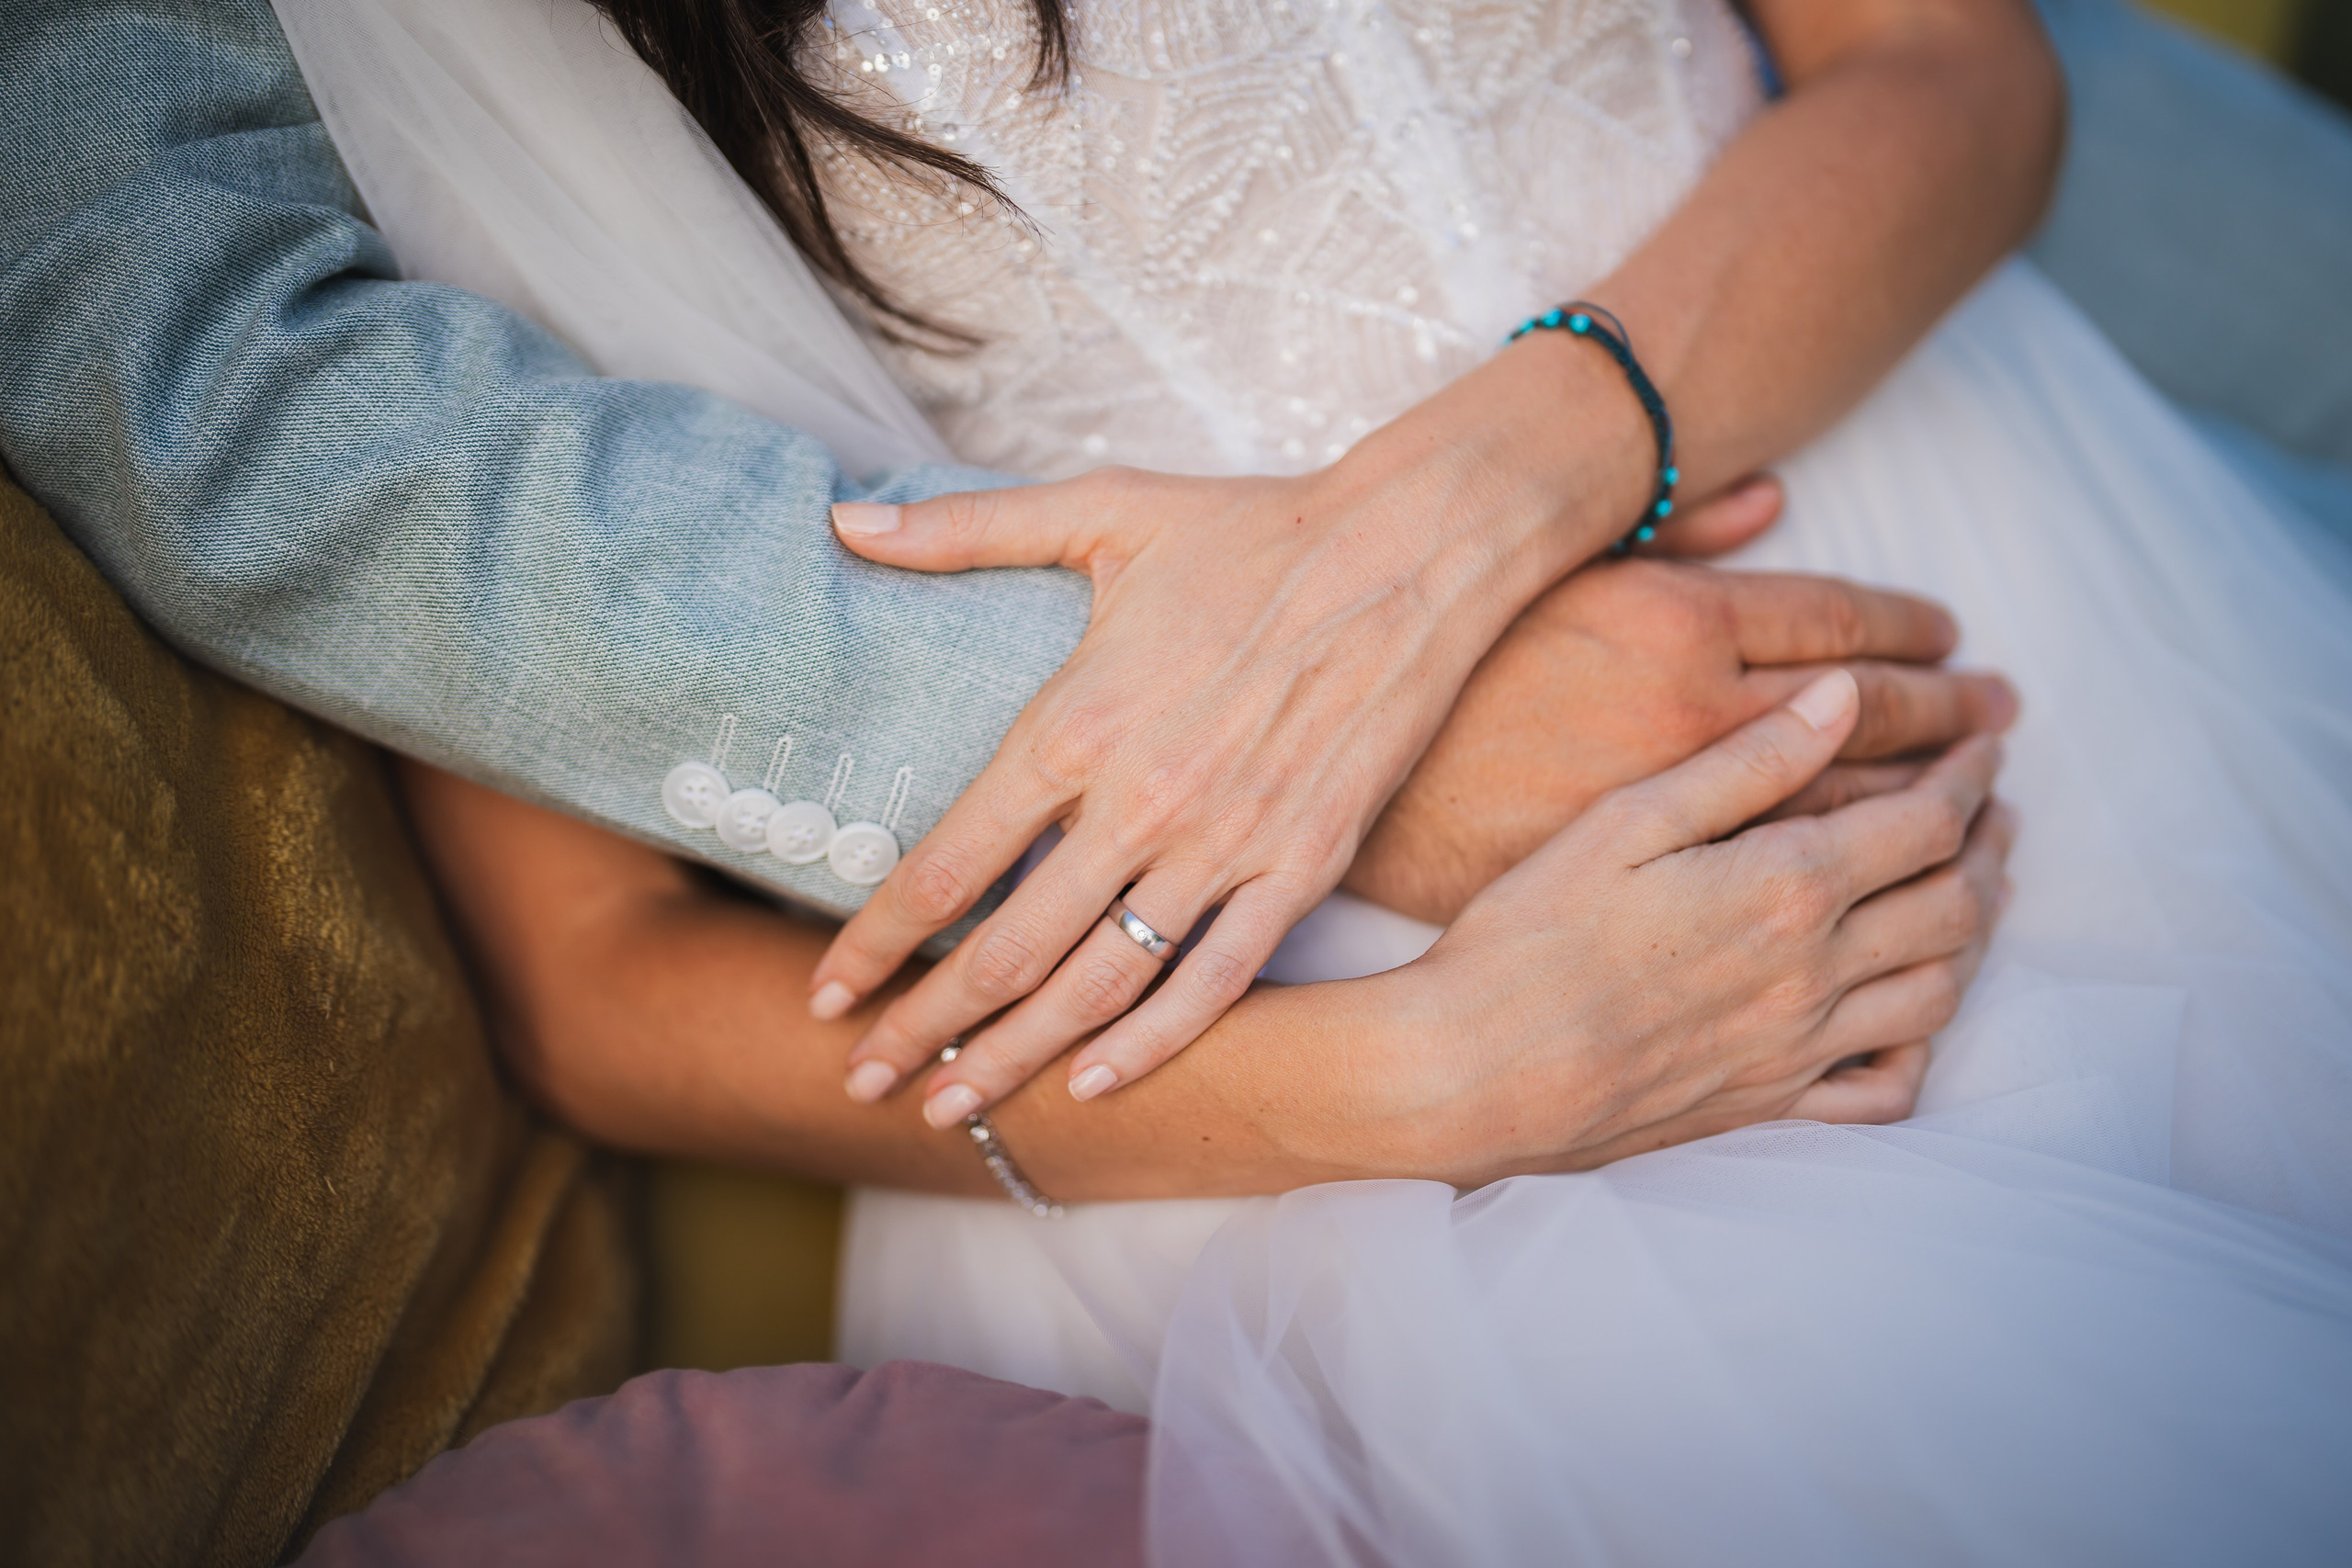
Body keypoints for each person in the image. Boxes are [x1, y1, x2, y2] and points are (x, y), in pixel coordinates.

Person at [277, 0, 2352, 1562]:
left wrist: (1427, 544)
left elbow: (1952, 71)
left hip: (1994, 573)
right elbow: (594, 978)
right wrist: (1425, 1081)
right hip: (1270, 1038)